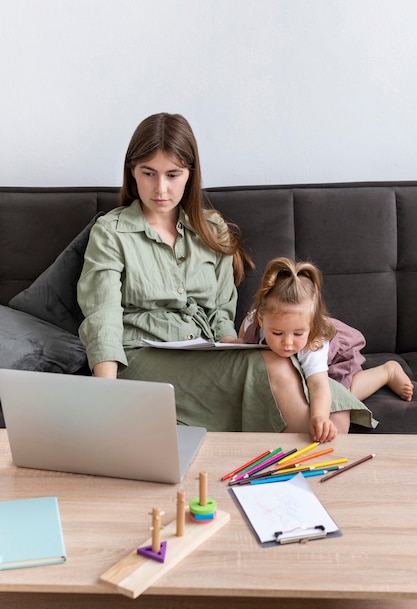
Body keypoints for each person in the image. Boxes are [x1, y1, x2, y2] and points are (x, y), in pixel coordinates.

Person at [77, 112, 372, 442]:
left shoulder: (211, 229)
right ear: (132, 172)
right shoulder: (111, 232)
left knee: (335, 408)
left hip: (205, 353)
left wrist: (232, 346)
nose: (161, 188)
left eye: (173, 174)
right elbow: (102, 316)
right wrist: (106, 394)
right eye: (149, 173)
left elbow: (220, 313)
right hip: (141, 356)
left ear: (190, 174)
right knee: (279, 373)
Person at [239, 257, 413, 436]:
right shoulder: (252, 321)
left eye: (297, 334)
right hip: (293, 361)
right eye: (277, 333)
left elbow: (318, 385)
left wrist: (319, 416)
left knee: (343, 393)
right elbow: (244, 341)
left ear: (311, 327)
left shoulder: (314, 343)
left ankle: (387, 372)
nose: (288, 342)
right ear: (261, 320)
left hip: (334, 358)